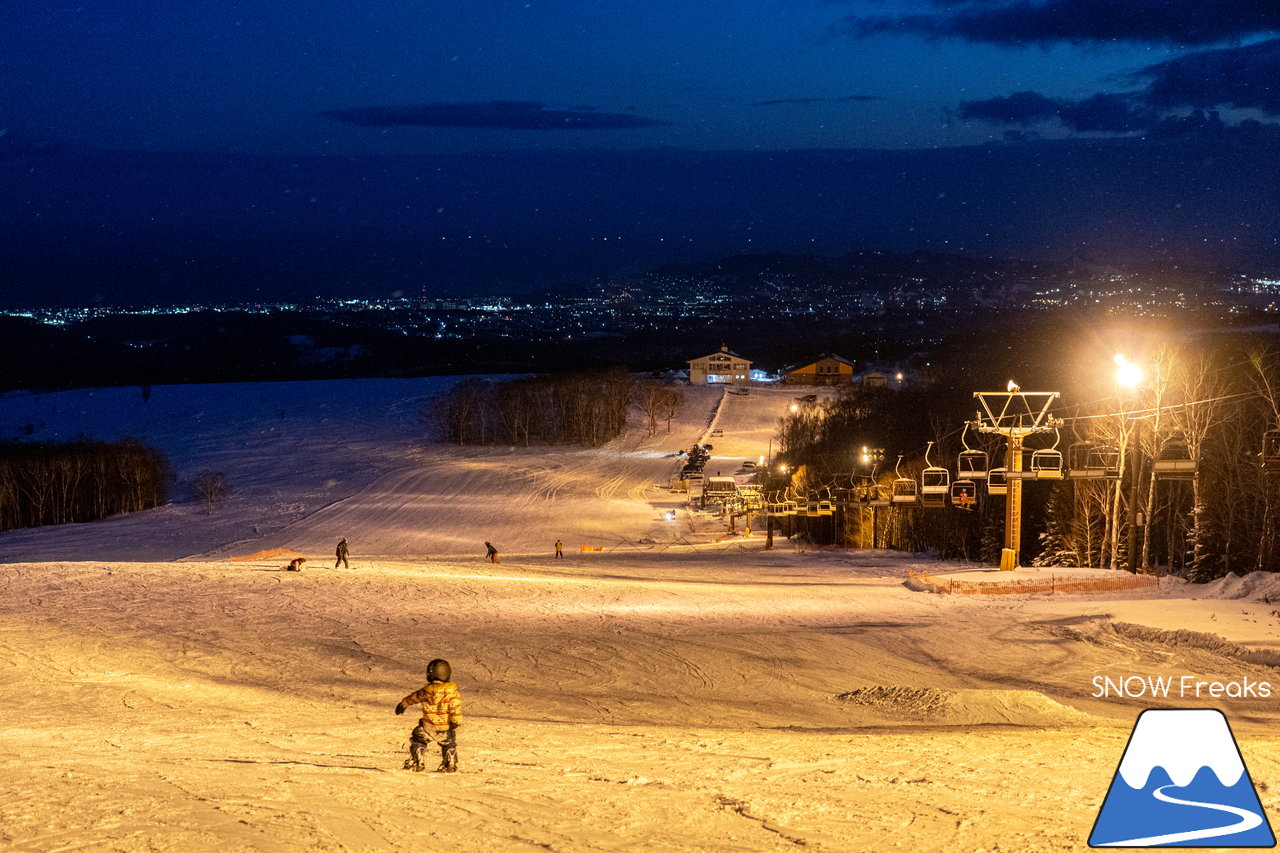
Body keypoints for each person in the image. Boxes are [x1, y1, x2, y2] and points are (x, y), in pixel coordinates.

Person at [395, 658, 462, 773]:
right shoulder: (452, 692)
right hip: (444, 727)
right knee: (449, 743)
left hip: (427, 727)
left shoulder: (426, 691)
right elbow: (455, 707)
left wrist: (403, 704)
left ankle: (419, 757)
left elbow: (413, 697)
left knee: (418, 740)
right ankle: (450, 760)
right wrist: (456, 721)